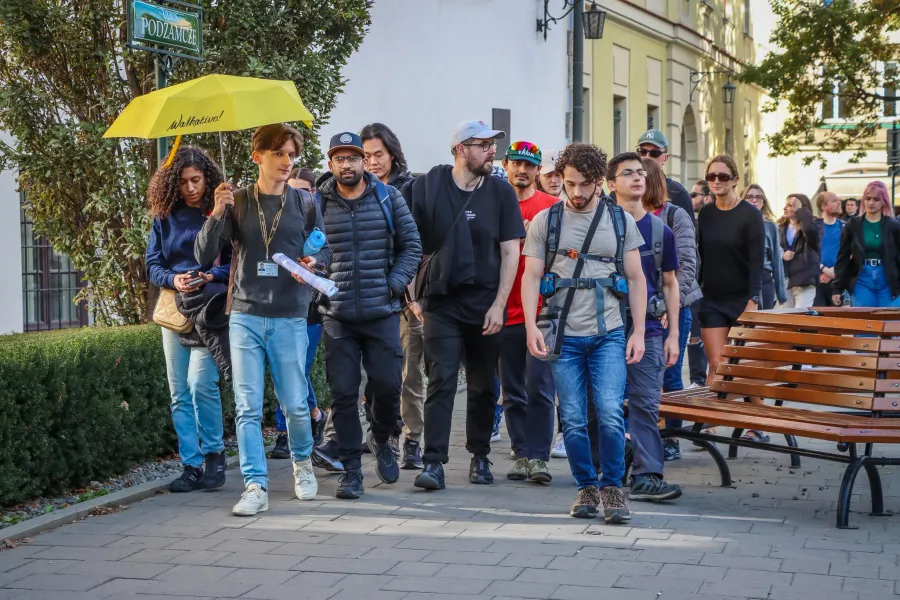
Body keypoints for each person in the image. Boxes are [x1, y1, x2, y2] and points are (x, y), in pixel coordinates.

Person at [195, 124, 332, 516]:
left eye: (292, 154)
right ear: (258, 157)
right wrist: (217, 212)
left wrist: (312, 262)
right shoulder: (236, 201)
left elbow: (323, 250)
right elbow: (205, 256)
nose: (288, 161)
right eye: (279, 154)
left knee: (296, 406)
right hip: (244, 314)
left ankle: (303, 462)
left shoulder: (305, 202)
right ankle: (255, 485)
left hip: (290, 315)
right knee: (247, 406)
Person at [521, 143, 647, 523]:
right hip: (562, 334)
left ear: (599, 183)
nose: (576, 193)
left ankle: (612, 488)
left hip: (609, 332)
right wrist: (530, 326)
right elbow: (530, 275)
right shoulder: (547, 221)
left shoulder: (620, 220)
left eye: (585, 185)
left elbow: (637, 278)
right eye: (569, 184)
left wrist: (638, 331)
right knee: (573, 418)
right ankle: (585, 487)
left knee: (609, 412)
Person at [406, 120, 524, 491]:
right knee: (440, 379)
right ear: (461, 149)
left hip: (485, 302)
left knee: (482, 385)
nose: (493, 151)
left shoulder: (500, 193)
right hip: (441, 301)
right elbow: (410, 244)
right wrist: (411, 296)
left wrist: (499, 305)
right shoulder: (426, 187)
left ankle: (480, 455)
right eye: (483, 144)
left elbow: (511, 252)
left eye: (493, 144)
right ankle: (434, 463)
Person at [315, 131, 421, 500]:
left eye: (353, 158)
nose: (347, 165)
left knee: (388, 387)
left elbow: (412, 246)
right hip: (337, 315)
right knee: (343, 394)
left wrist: (393, 285)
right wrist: (316, 283)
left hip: (381, 312)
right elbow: (303, 251)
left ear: (364, 161)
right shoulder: (316, 203)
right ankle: (351, 471)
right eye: (339, 159)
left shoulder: (388, 197)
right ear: (331, 165)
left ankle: (382, 437)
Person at [146, 147, 231, 493]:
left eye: (196, 180)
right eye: (183, 182)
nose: (191, 187)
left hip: (208, 308)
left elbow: (235, 263)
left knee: (201, 384)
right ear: (173, 185)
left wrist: (210, 276)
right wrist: (173, 279)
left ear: (207, 178)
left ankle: (214, 454)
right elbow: (153, 264)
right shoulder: (164, 216)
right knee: (179, 391)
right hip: (175, 310)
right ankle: (191, 464)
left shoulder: (222, 212)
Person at [611, 153, 682, 501]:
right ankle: (610, 464)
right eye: (628, 173)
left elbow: (670, 283)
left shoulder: (660, 230)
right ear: (612, 184)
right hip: (605, 327)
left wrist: (674, 336)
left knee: (645, 403)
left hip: (650, 330)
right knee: (602, 404)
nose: (638, 178)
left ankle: (648, 474)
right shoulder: (601, 225)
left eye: (641, 173)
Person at [360, 122, 423, 468]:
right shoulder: (355, 189)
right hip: (367, 296)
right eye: (366, 156)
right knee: (376, 376)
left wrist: (407, 291)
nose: (372, 162)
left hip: (404, 295)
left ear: (392, 153)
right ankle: (385, 435)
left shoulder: (409, 189)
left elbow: (414, 245)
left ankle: (412, 439)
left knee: (409, 372)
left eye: (378, 154)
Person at [499, 141, 558, 483]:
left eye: (529, 165)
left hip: (542, 313)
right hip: (504, 310)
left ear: (538, 171)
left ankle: (538, 457)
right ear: (505, 165)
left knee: (539, 386)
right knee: (512, 388)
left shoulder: (551, 207)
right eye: (516, 163)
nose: (522, 170)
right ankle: (521, 453)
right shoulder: (494, 202)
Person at [641, 159, 700, 463]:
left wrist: (668, 306)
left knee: (671, 374)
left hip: (674, 306)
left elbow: (687, 267)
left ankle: (672, 437)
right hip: (642, 309)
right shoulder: (626, 215)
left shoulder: (674, 215)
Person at [270, 171, 327, 460]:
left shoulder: (315, 218)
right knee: (286, 371)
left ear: (313, 192)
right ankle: (315, 413)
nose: (296, 197)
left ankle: (285, 434)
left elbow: (330, 257)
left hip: (310, 310)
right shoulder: (276, 219)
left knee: (296, 371)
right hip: (279, 305)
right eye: (291, 191)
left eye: (303, 191)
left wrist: (315, 263)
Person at [695, 155, 763, 392]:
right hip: (711, 299)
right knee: (716, 363)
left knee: (745, 366)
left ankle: (755, 425)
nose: (716, 181)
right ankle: (710, 426)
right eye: (711, 177)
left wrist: (753, 300)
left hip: (742, 299)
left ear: (734, 180)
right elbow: (699, 258)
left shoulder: (751, 215)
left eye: (722, 176)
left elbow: (757, 262)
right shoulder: (705, 214)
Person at [833, 181, 900, 307]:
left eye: (876, 199)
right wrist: (838, 287)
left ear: (883, 201)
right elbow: (843, 257)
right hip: (862, 277)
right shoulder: (853, 225)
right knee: (864, 320)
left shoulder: (894, 226)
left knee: (889, 321)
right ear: (863, 200)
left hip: (888, 278)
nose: (871, 203)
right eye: (868, 198)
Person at [743, 185, 787, 309]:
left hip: (764, 278)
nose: (754, 200)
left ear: (764, 202)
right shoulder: (735, 223)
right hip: (741, 279)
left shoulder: (770, 226)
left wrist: (781, 292)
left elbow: (777, 260)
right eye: (749, 197)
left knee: (763, 323)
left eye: (758, 197)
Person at [635, 129, 694, 220]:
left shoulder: (678, 193)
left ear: (665, 158)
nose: (646, 157)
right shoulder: (626, 187)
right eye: (642, 152)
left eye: (654, 153)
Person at [687, 180, 711, 388]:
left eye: (694, 195)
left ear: (707, 197)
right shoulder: (689, 223)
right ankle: (697, 380)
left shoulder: (716, 223)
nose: (690, 198)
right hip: (695, 288)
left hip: (714, 289)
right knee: (694, 337)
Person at [778, 193, 820, 309]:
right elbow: (774, 250)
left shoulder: (815, 225)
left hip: (804, 281)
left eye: (790, 205)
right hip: (785, 281)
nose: (785, 208)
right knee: (785, 320)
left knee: (801, 317)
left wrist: (801, 211)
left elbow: (811, 234)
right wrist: (782, 255)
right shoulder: (780, 228)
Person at [814, 191, 845, 308]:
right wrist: (824, 269)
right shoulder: (814, 227)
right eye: (834, 200)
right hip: (817, 281)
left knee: (836, 321)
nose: (839, 202)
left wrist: (834, 271)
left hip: (838, 283)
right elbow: (808, 253)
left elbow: (850, 253)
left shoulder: (845, 227)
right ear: (823, 206)